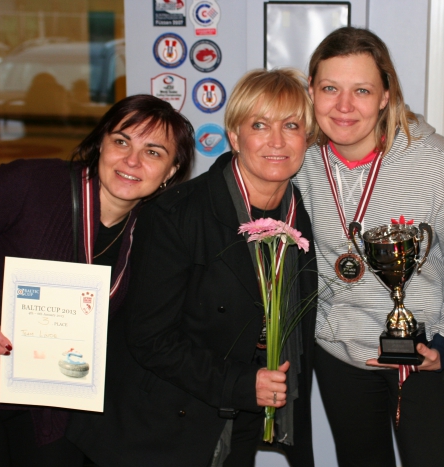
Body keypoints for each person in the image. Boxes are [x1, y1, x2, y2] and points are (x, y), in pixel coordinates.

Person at [66, 68, 318, 467]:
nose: (277, 140)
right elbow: (149, 338)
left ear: (308, 137)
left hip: (242, 418)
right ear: (234, 135)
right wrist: (241, 383)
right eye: (259, 125)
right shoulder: (177, 213)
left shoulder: (299, 213)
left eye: (291, 125)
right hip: (159, 426)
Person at [0, 94, 195, 466]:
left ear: (171, 170)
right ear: (101, 143)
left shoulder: (158, 234)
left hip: (59, 408)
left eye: (153, 152)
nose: (132, 161)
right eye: (121, 142)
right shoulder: (29, 184)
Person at [295, 27, 444, 467]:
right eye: (330, 89)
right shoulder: (299, 161)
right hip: (339, 354)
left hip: (424, 356)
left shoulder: (439, 165)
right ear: (311, 91)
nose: (344, 106)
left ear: (385, 96)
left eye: (361, 90)